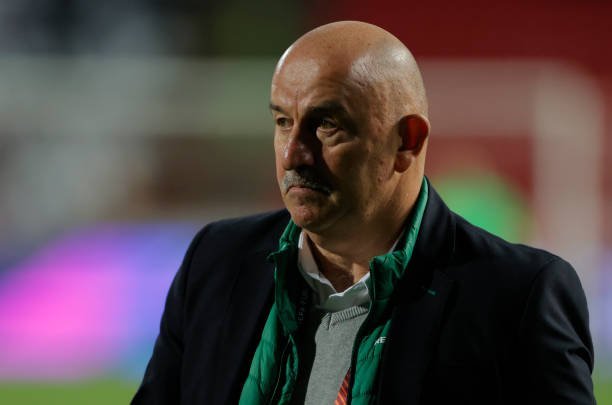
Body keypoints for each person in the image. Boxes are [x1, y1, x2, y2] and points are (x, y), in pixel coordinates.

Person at [132, 21, 595, 404]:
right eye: (283, 122)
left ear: (407, 141)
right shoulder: (216, 261)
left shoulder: (518, 296)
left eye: (327, 126)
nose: (293, 154)